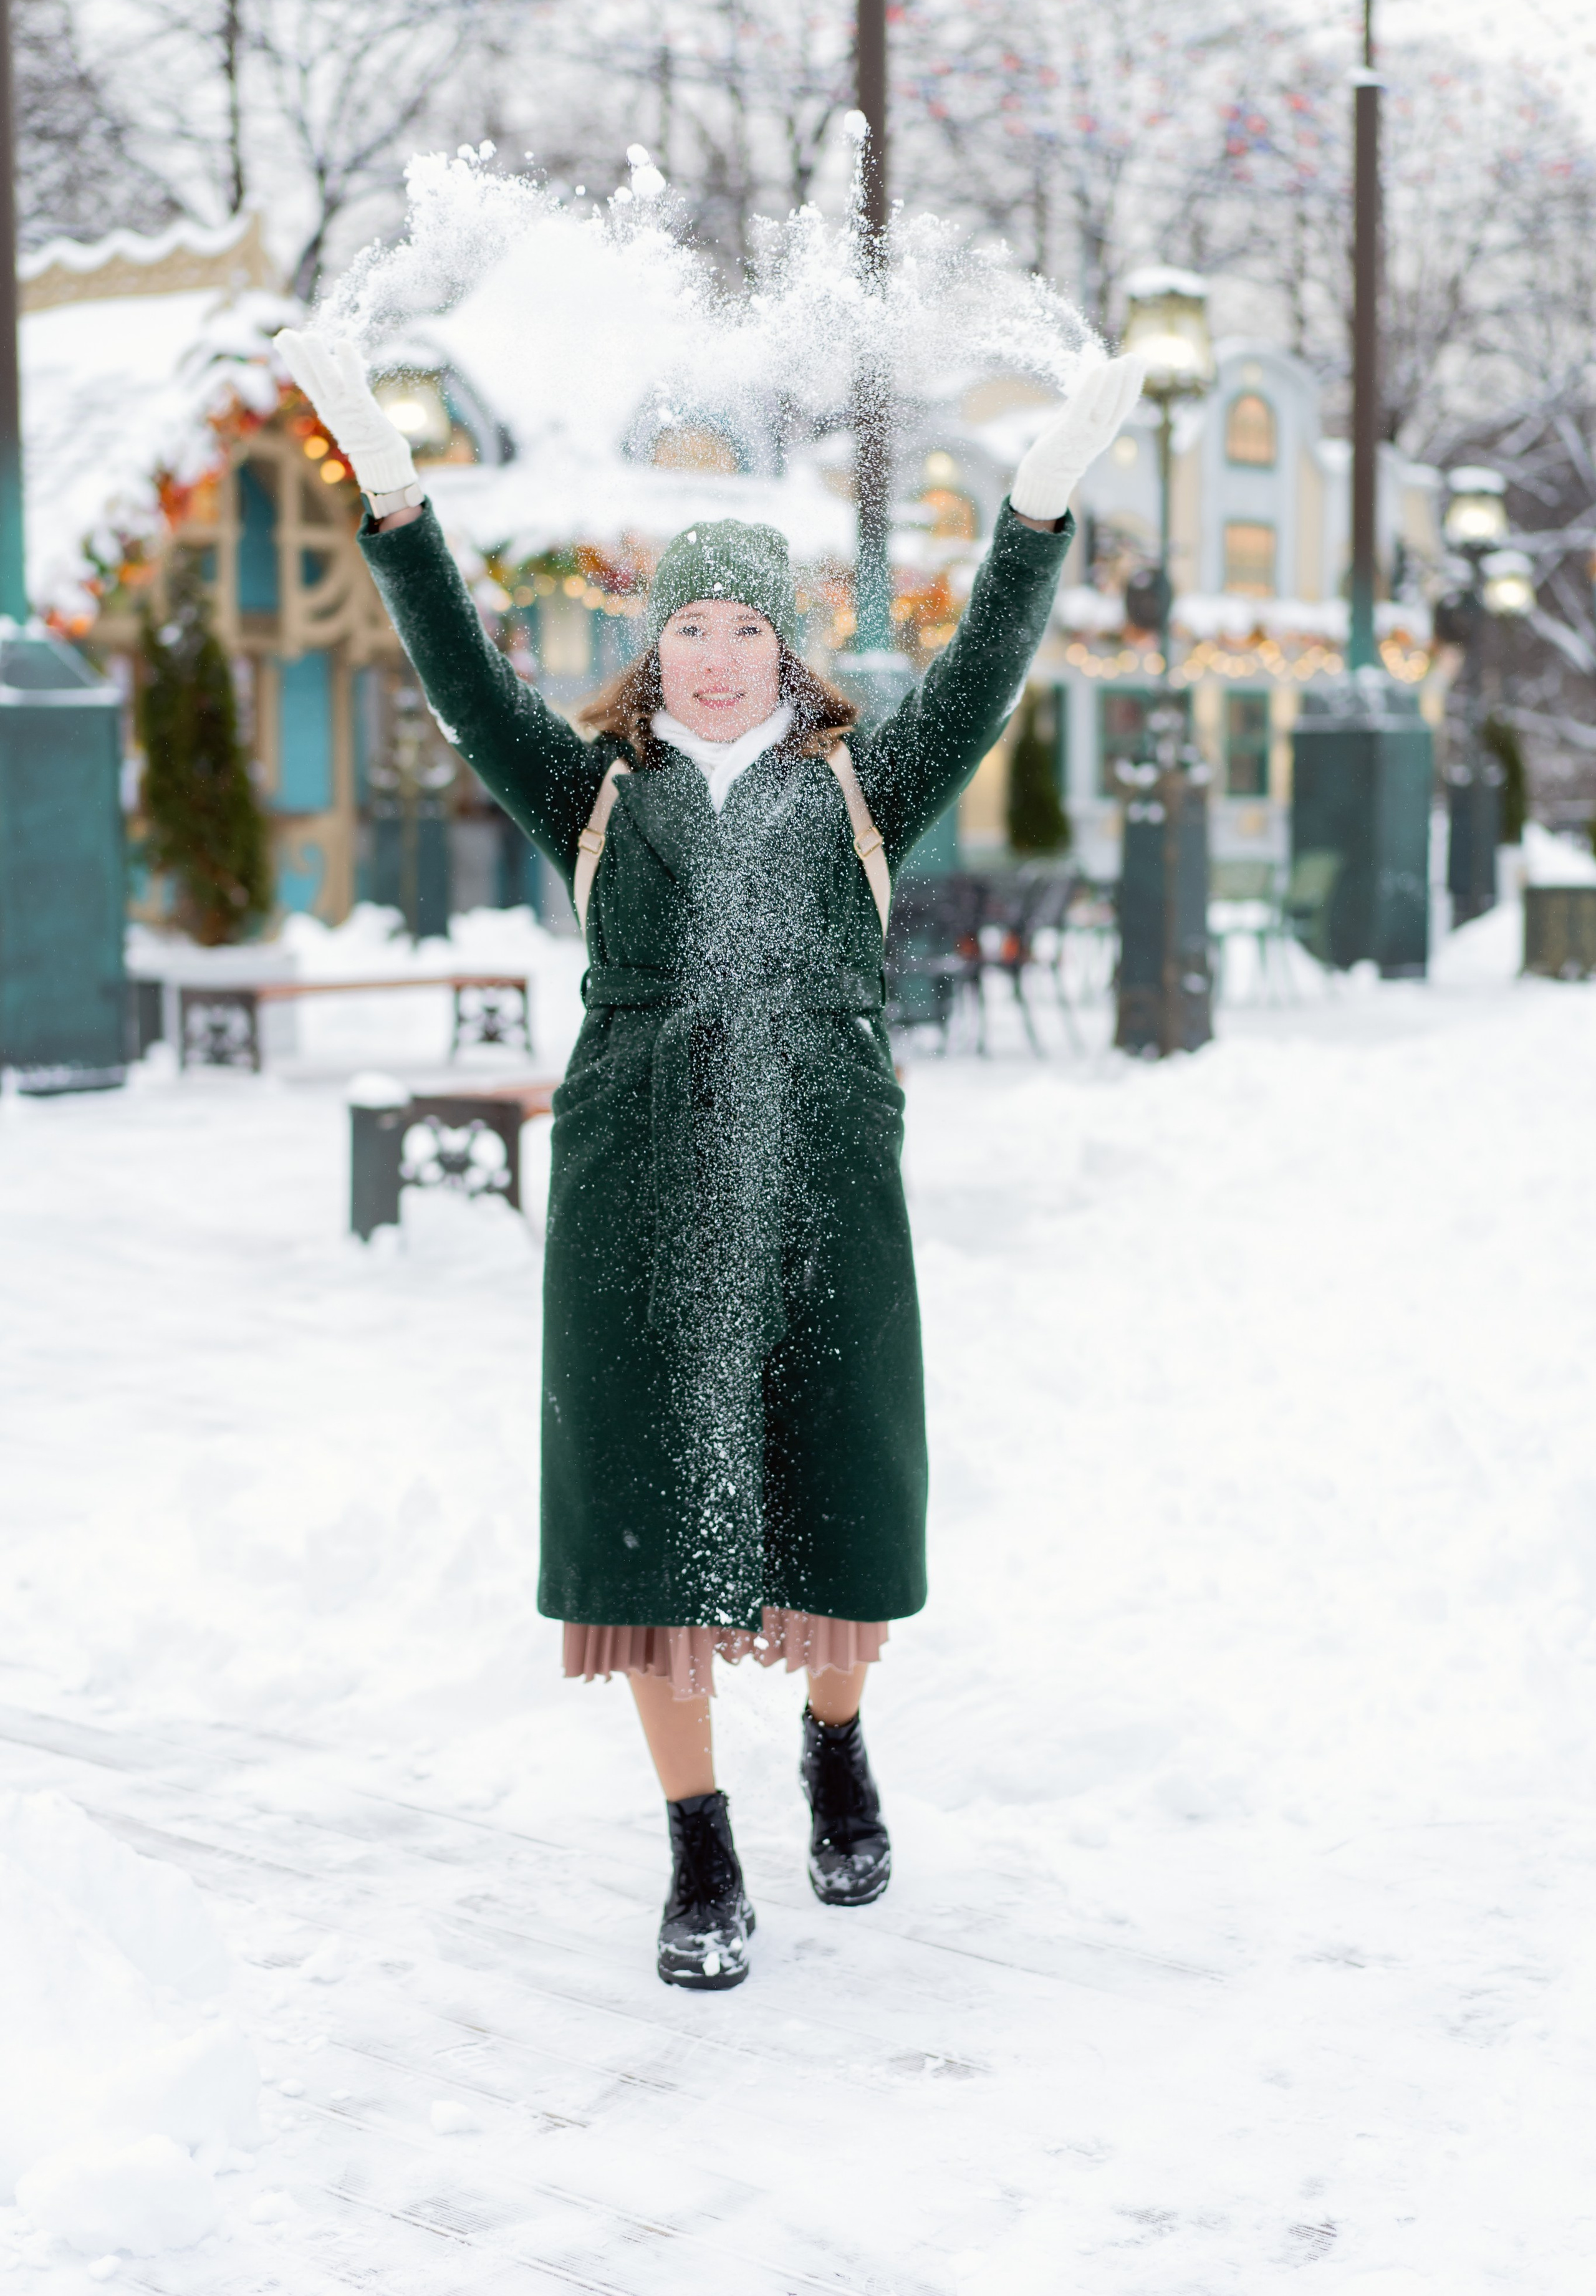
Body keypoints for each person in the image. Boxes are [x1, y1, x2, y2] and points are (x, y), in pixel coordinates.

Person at [278, 325, 1143, 1991]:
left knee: (847, 1500)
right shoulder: (591, 787)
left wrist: (1038, 507)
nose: (721, 655)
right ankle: (698, 1850)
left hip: (826, 1182)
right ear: (654, 644)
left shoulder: (867, 784)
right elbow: (460, 665)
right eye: (692, 625)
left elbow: (981, 667)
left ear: (789, 648)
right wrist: (393, 488)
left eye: (750, 627)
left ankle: (835, 1741)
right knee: (651, 1530)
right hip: (640, 1196)